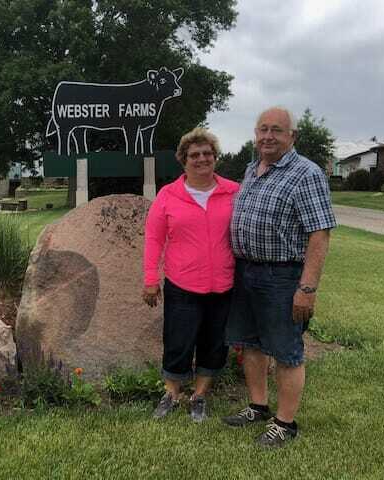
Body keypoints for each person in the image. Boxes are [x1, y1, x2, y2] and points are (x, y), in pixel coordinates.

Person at [223, 107, 336, 447]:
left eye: (277, 130)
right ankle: (258, 406)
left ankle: (285, 423)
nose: (268, 136)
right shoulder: (252, 168)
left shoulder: (306, 173)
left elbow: (320, 233)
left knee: (287, 352)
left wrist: (308, 287)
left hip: (282, 276)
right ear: (255, 134)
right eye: (262, 129)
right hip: (245, 271)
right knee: (252, 345)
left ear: (292, 136)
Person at [143, 127, 239, 421]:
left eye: (207, 153)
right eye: (194, 155)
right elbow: (154, 238)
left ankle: (199, 396)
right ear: (183, 160)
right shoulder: (168, 195)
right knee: (177, 341)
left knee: (214, 343)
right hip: (182, 283)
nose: (201, 159)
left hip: (223, 283)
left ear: (215, 158)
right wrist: (150, 279)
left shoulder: (233, 191)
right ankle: (171, 393)